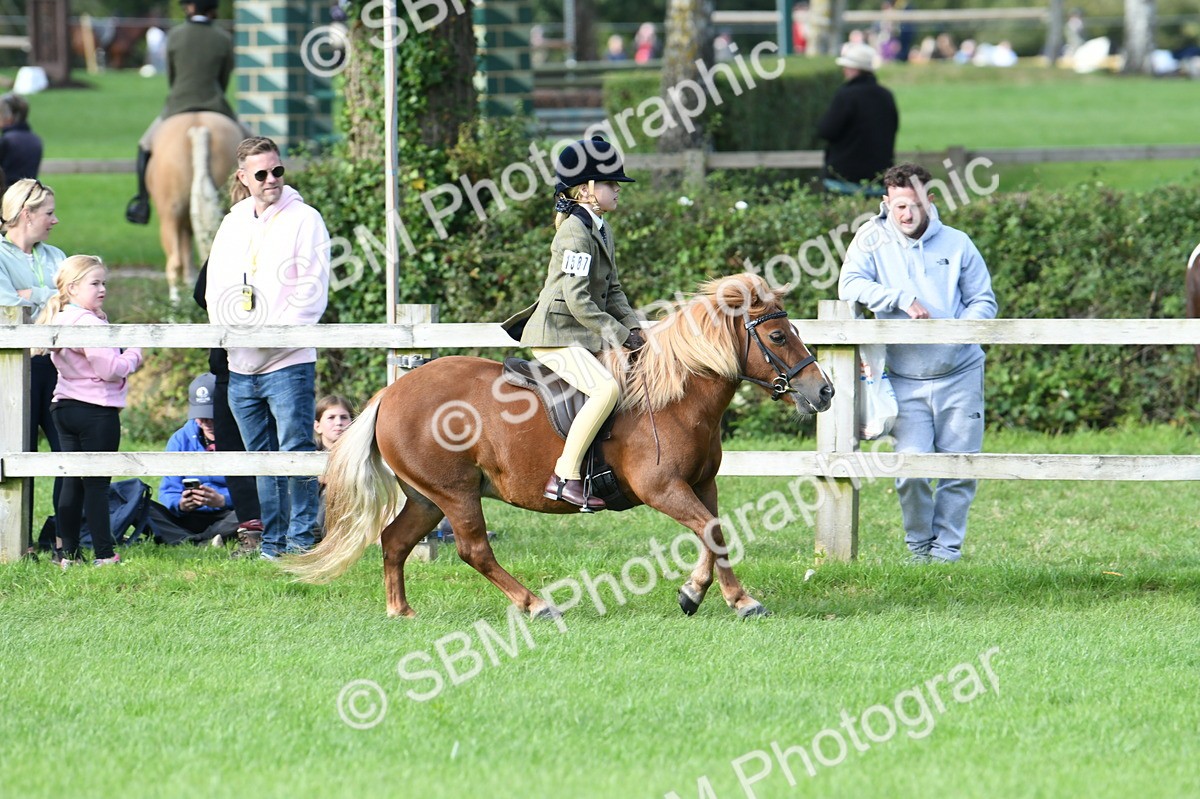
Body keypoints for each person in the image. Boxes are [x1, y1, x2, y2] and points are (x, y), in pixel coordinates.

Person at [838, 163, 997, 563]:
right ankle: (919, 549)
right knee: (909, 472)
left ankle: (946, 552)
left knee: (959, 469)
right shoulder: (871, 238)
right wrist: (898, 297)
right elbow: (849, 285)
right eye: (897, 207)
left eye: (912, 205)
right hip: (902, 378)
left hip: (960, 373)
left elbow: (984, 301)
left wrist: (959, 333)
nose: (905, 215)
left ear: (930, 201)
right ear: (885, 203)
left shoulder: (959, 243)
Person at [501, 136, 644, 510]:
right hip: (556, 336)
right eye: (610, 183)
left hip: (579, 333)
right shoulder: (573, 233)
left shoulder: (601, 228)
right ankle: (565, 477)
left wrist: (636, 330)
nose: (617, 189)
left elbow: (613, 292)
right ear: (586, 190)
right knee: (605, 391)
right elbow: (580, 301)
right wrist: (617, 336)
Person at [205, 136, 330, 559]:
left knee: (295, 454)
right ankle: (272, 544)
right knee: (260, 460)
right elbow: (215, 287)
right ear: (243, 178)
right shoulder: (233, 221)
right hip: (240, 363)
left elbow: (311, 292)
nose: (272, 179)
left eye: (278, 170)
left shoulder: (306, 219)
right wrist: (230, 336)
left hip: (288, 360)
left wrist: (275, 339)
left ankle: (300, 540)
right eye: (261, 173)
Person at [38, 255, 144, 568]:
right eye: (95, 283)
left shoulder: (60, 318)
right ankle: (104, 553)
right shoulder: (89, 323)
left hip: (64, 405)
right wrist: (134, 353)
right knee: (96, 484)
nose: (102, 289)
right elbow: (110, 368)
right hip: (96, 409)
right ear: (72, 288)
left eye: (104, 283)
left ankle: (68, 553)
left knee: (72, 482)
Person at [125, 0, 241, 225]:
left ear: (189, 8)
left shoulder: (174, 36)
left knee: (144, 146)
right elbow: (224, 78)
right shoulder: (224, 38)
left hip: (178, 105)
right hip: (216, 105)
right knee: (253, 143)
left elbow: (172, 77)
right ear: (213, 10)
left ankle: (142, 202)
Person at [0, 178, 66, 554]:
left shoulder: (57, 255)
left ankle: (62, 538)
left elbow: (78, 304)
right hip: (13, 371)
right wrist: (53, 298)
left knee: (67, 455)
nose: (55, 221)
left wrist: (34, 298)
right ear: (26, 214)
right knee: (15, 454)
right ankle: (15, 540)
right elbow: (8, 310)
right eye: (49, 213)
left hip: (56, 366)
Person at [192, 260, 264, 557]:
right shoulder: (226, 247)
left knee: (273, 453)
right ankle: (252, 530)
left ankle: (284, 531)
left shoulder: (280, 242)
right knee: (233, 453)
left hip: (271, 365)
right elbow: (201, 294)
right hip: (227, 369)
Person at [149, 373, 242, 546]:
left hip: (229, 514)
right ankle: (207, 539)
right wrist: (181, 504)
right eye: (201, 416)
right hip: (189, 516)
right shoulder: (179, 439)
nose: (207, 422)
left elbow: (255, 491)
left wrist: (223, 500)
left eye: (213, 415)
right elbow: (168, 490)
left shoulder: (243, 436)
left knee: (257, 510)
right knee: (142, 506)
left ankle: (194, 540)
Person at [816, 41, 898, 195]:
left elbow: (827, 130)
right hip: (877, 179)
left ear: (854, 69)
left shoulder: (846, 95)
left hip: (843, 178)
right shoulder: (886, 96)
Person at [313, 394, 354, 542]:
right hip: (311, 504)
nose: (338, 423)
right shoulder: (308, 450)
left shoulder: (358, 452)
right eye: (331, 418)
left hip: (348, 510)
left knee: (332, 488)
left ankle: (319, 533)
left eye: (344, 417)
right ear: (317, 426)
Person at [0, 94, 43, 192]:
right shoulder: (35, 140)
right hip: (28, 192)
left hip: (7, 196)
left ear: (9, 117)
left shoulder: (6, 140)